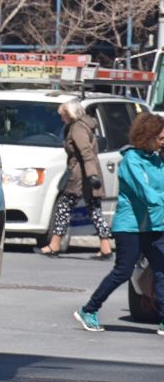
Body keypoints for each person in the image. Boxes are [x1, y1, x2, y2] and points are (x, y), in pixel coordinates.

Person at [73, 112, 164, 335]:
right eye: (161, 137)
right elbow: (146, 193)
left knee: (161, 270)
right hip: (130, 226)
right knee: (123, 271)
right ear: (148, 136)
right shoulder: (131, 160)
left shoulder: (157, 160)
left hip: (154, 225)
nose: (163, 141)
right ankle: (89, 309)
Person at [39, 99, 113, 259]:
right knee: (95, 210)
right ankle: (106, 246)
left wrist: (91, 175)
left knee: (63, 208)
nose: (61, 118)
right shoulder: (84, 125)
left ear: (70, 114)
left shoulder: (78, 128)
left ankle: (54, 245)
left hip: (81, 174)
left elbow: (86, 152)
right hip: (87, 173)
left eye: (63, 115)